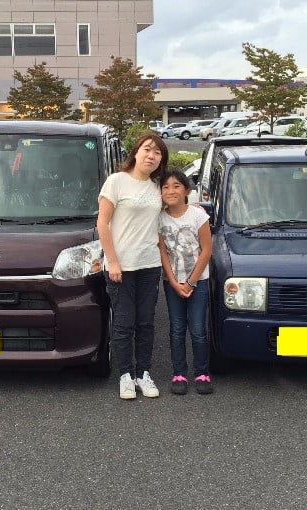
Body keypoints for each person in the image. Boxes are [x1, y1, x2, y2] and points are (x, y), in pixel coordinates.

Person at [97, 133, 168, 400]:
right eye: (148, 149)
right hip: (121, 266)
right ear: (136, 152)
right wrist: (112, 261)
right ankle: (126, 375)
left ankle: (143, 373)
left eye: (158, 153)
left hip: (149, 264)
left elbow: (172, 208)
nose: (152, 156)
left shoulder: (156, 186)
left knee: (146, 323)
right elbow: (102, 223)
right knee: (125, 323)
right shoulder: (116, 182)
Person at [157, 170, 213, 395]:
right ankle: (178, 372)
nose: (171, 191)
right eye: (166, 187)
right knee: (177, 329)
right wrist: (173, 282)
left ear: (187, 191)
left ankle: (202, 372)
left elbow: (206, 250)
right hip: (172, 283)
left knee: (198, 329)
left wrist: (190, 282)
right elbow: (162, 253)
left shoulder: (198, 216)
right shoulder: (159, 218)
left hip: (199, 281)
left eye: (176, 186)